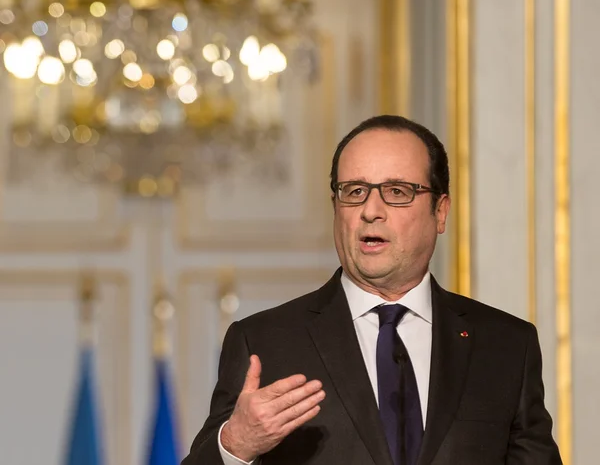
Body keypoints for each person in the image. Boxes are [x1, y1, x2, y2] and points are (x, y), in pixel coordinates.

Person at [181, 115, 562, 465]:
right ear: (336, 206)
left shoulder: (507, 345)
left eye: (397, 191)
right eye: (355, 191)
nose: (370, 210)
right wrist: (236, 445)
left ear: (440, 212)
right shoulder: (263, 342)